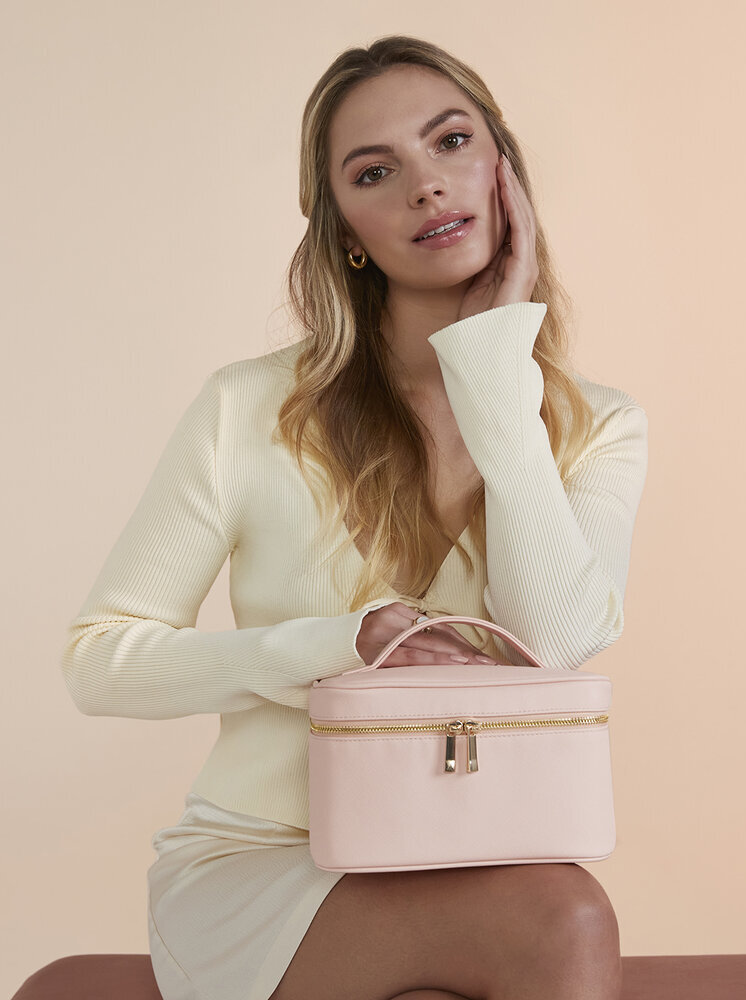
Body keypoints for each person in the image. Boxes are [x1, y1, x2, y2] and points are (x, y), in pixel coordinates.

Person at [61, 34, 648, 1000]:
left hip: (467, 856)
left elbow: (557, 639)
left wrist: (494, 374)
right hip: (262, 862)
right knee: (565, 916)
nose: (426, 185)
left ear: (504, 170)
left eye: (451, 141)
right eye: (376, 172)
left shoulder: (597, 425)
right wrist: (333, 647)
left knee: (553, 908)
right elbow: (99, 662)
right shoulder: (249, 408)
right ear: (344, 231)